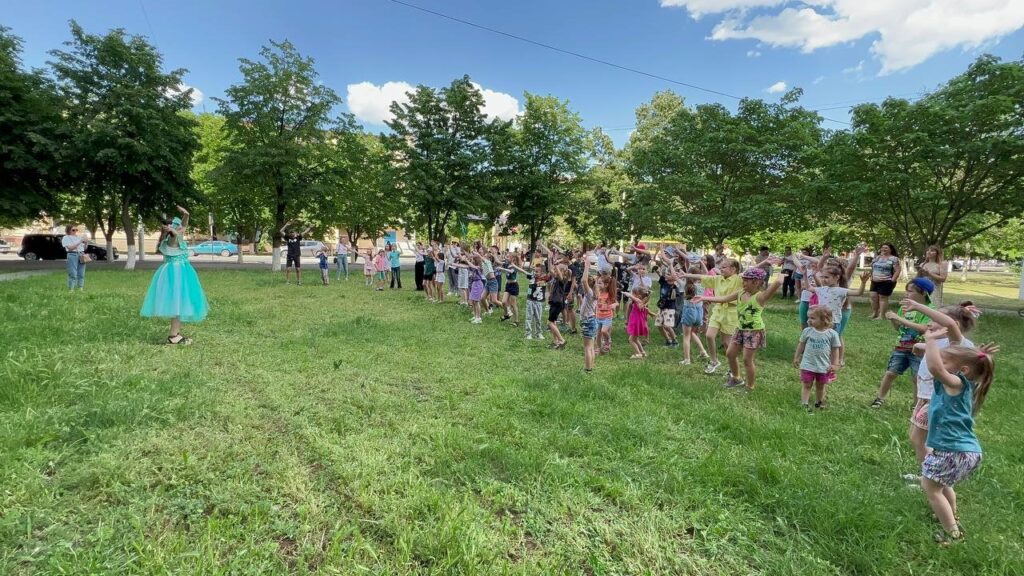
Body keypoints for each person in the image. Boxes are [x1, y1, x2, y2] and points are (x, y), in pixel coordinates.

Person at [919, 327, 995, 546]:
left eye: (946, 360)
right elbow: (938, 362)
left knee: (931, 488)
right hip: (964, 450)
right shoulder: (961, 383)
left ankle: (953, 533)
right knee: (943, 485)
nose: (940, 362)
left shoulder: (956, 383)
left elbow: (935, 367)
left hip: (954, 451)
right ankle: (951, 516)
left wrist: (931, 339)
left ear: (962, 370)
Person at [901, 299, 982, 467]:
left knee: (920, 439)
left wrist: (918, 306)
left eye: (935, 319)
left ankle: (933, 473)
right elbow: (936, 350)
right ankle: (929, 473)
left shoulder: (957, 343)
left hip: (938, 400)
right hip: (926, 398)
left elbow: (950, 326)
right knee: (916, 437)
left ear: (955, 325)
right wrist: (920, 345)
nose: (930, 323)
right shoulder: (940, 342)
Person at [696, 268, 783, 392]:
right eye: (743, 280)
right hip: (740, 329)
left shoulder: (761, 297)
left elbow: (778, 283)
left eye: (746, 280)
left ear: (756, 282)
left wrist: (782, 272)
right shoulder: (740, 293)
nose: (743, 282)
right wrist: (702, 297)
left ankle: (750, 386)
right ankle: (736, 378)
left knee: (747, 360)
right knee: (730, 353)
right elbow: (724, 298)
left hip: (754, 332)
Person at [140, 206, 208, 344]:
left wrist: (186, 214)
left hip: (178, 272)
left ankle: (175, 334)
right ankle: (173, 336)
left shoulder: (177, 235)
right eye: (178, 227)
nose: (182, 228)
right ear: (173, 229)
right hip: (176, 274)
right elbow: (176, 233)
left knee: (179, 304)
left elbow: (183, 225)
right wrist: (171, 230)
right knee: (177, 303)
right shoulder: (172, 239)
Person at [869, 277, 934, 408]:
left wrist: (899, 318)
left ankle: (917, 404)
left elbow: (924, 328)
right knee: (890, 373)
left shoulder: (929, 309)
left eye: (910, 291)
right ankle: (880, 398)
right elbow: (899, 329)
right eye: (906, 291)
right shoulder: (904, 308)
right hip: (901, 347)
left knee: (917, 378)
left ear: (923, 293)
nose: (906, 294)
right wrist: (894, 320)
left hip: (919, 350)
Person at [679, 258, 743, 375]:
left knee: (727, 343)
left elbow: (750, 273)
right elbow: (703, 277)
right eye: (721, 267)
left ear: (733, 269)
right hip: (718, 310)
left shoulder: (738, 279)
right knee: (709, 335)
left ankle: (732, 368)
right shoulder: (718, 279)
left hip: (731, 313)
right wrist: (685, 274)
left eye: (724, 267)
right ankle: (714, 361)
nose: (720, 269)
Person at [793, 306, 841, 411]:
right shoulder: (807, 331)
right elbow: (801, 344)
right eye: (808, 317)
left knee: (821, 385)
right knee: (807, 384)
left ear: (824, 319)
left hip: (823, 366)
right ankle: (804, 403)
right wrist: (796, 357)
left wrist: (835, 364)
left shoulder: (832, 334)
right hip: (808, 364)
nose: (809, 320)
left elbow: (835, 350)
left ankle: (819, 402)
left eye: (813, 318)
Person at [678, 266, 709, 365]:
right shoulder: (702, 285)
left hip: (689, 310)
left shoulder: (685, 285)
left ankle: (687, 359)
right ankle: (703, 352)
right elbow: (706, 273)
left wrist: (671, 265)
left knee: (686, 336)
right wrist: (700, 263)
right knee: (692, 333)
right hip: (699, 311)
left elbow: (674, 277)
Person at [869, 243, 902, 319]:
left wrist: (892, 280)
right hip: (874, 281)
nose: (883, 249)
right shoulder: (877, 258)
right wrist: (871, 276)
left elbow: (898, 270)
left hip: (886, 281)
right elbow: (872, 267)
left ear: (891, 249)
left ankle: (882, 315)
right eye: (882, 247)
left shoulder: (894, 259)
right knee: (873, 297)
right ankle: (875, 313)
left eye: (886, 248)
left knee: (882, 298)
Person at [578, 255, 598, 372]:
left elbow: (583, 280)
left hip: (587, 321)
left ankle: (587, 370)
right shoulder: (594, 292)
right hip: (592, 320)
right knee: (591, 347)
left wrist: (587, 265)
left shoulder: (589, 293)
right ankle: (590, 367)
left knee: (587, 348)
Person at [624, 287, 653, 359]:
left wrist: (629, 295)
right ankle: (643, 352)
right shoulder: (640, 303)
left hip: (636, 324)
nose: (631, 294)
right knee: (635, 339)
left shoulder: (639, 303)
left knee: (631, 340)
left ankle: (638, 354)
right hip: (637, 323)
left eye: (633, 293)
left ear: (638, 296)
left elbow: (636, 300)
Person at [547, 264, 572, 349]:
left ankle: (562, 340)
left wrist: (557, 266)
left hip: (557, 303)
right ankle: (556, 342)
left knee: (550, 323)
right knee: (553, 322)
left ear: (562, 271)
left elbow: (559, 275)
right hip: (554, 302)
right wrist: (550, 259)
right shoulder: (556, 278)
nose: (555, 270)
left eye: (557, 270)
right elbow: (550, 270)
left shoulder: (563, 279)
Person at [280, 220, 312, 285]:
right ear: (290, 234)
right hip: (289, 255)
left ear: (295, 233)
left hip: (297, 255)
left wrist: (310, 227)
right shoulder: (288, 238)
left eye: (293, 233)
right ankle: (288, 281)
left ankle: (299, 281)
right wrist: (286, 225)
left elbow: (305, 232)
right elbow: (281, 231)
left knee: (298, 269)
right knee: (288, 269)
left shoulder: (298, 237)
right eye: (291, 233)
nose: (292, 234)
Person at [524, 259, 548, 340]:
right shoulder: (531, 276)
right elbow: (523, 271)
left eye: (537, 271)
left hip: (539, 301)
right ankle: (528, 333)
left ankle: (539, 333)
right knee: (529, 317)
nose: (535, 273)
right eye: (534, 271)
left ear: (542, 273)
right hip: (530, 300)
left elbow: (551, 272)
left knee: (538, 318)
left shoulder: (545, 278)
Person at [60, 224, 88, 291]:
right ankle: (71, 289)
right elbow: (70, 248)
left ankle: (80, 288)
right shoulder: (66, 238)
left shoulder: (79, 237)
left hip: (81, 254)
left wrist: (86, 242)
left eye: (76, 230)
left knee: (81, 272)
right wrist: (80, 241)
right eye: (73, 230)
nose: (75, 231)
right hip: (72, 255)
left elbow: (84, 248)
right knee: (73, 273)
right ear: (68, 230)